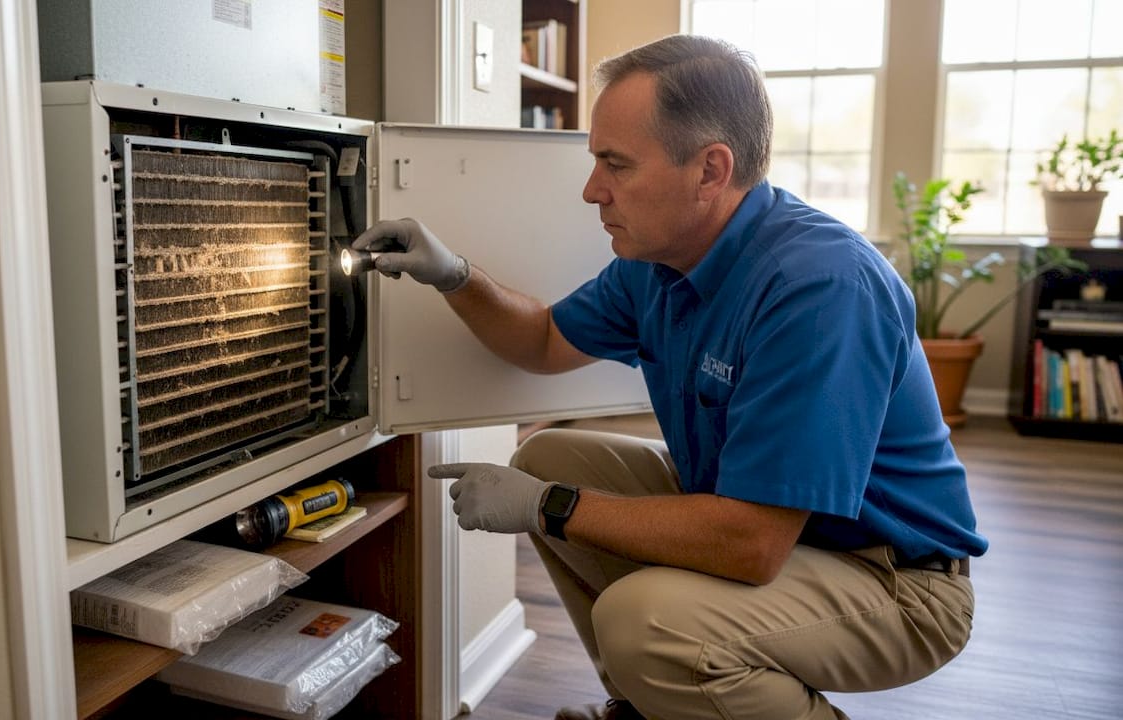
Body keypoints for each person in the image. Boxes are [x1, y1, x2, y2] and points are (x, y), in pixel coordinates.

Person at [352, 34, 987, 720]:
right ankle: (649, 706)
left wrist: (547, 507)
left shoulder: (819, 287)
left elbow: (751, 543)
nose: (592, 189)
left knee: (643, 620)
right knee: (550, 455)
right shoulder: (655, 263)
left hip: (893, 579)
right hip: (781, 532)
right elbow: (541, 339)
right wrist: (454, 274)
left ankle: (677, 681)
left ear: (711, 170)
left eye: (615, 164)